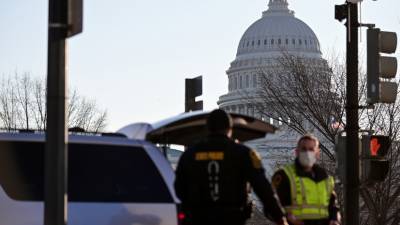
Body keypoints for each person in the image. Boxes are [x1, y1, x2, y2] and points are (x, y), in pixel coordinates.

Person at [174, 109, 288, 225]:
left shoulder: (189, 154)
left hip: (198, 218)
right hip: (232, 218)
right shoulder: (243, 153)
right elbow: (263, 188)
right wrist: (279, 217)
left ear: (207, 129)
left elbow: (179, 189)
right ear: (230, 129)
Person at [271, 134, 341, 225]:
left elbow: (333, 206)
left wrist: (335, 219)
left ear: (317, 154)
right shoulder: (284, 176)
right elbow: (270, 206)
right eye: (304, 149)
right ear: (296, 152)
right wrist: (287, 218)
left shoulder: (325, 178)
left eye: (311, 149)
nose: (307, 153)